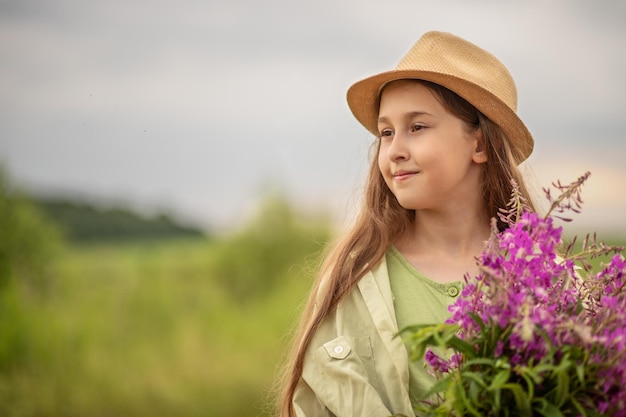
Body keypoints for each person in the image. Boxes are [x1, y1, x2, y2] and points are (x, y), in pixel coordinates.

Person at [277, 31, 538, 417]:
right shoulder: (354, 278)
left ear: (479, 145)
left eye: (417, 127)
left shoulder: (548, 281)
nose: (395, 150)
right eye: (386, 132)